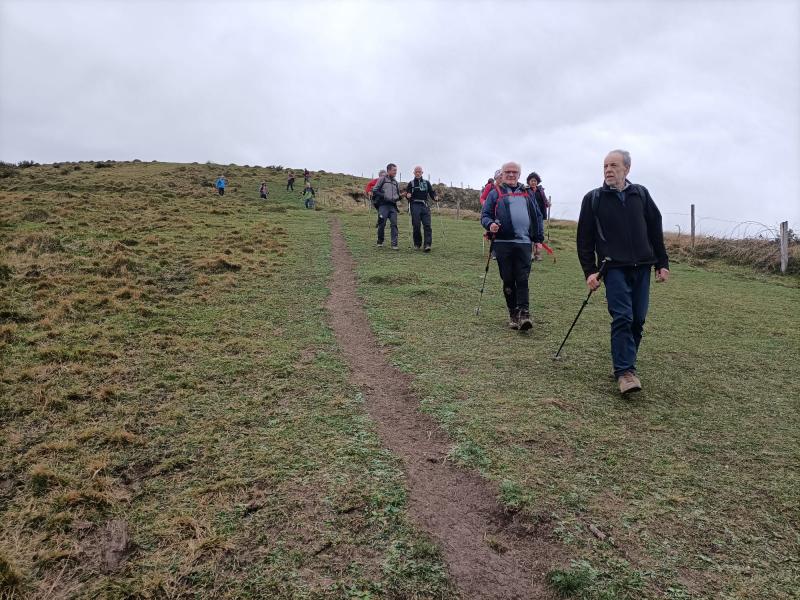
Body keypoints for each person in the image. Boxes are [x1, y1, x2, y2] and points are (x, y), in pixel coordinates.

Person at [576, 149, 670, 395]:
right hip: (613, 268)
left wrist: (662, 263)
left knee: (638, 319)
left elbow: (654, 228)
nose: (608, 170)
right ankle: (625, 372)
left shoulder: (641, 194)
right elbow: (584, 240)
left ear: (627, 169)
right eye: (605, 166)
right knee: (623, 317)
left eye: (614, 165)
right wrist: (590, 271)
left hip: (643, 266)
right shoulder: (593, 199)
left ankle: (625, 363)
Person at [480, 161, 544, 330]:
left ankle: (525, 314)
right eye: (507, 171)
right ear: (502, 173)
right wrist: (490, 224)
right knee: (508, 279)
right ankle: (513, 313)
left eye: (514, 172)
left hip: (524, 243)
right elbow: (485, 215)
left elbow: (537, 217)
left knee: (522, 278)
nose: (511, 174)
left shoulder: (527, 193)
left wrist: (538, 240)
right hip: (502, 243)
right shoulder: (495, 193)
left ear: (519, 174)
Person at [405, 166, 437, 251]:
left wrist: (435, 197)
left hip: (425, 205)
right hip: (415, 205)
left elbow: (431, 192)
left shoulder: (427, 182)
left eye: (419, 172)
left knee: (427, 225)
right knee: (416, 225)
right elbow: (407, 193)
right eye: (416, 172)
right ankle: (417, 244)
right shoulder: (411, 183)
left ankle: (427, 245)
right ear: (414, 173)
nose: (418, 173)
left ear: (422, 173)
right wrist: (407, 195)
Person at [372, 163, 402, 249]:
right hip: (383, 205)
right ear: (388, 170)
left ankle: (394, 244)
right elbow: (375, 190)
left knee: (394, 224)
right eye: (394, 170)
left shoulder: (396, 182)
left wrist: (400, 196)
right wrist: (384, 196)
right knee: (382, 223)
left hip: (393, 206)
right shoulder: (382, 179)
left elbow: (397, 196)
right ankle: (380, 241)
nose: (395, 172)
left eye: (396, 170)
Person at [525, 172, 551, 260]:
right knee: (531, 233)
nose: (533, 182)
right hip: (530, 216)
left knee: (540, 233)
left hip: (540, 215)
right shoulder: (526, 190)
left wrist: (548, 203)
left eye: (535, 181)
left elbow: (545, 201)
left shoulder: (541, 190)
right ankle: (531, 253)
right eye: (531, 181)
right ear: (528, 182)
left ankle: (538, 253)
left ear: (537, 182)